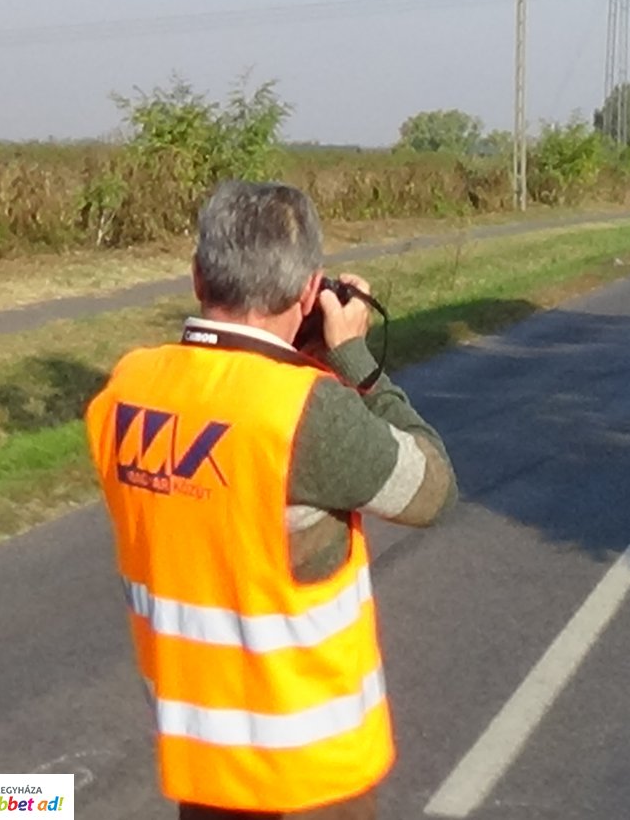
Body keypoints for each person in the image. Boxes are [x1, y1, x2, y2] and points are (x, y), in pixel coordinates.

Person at [85, 181, 458, 819]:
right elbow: (431, 490)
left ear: (199, 274)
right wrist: (352, 359)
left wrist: (294, 356)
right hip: (309, 781)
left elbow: (229, 480)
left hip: (203, 769)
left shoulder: (127, 390)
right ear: (310, 291)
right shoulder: (309, 413)